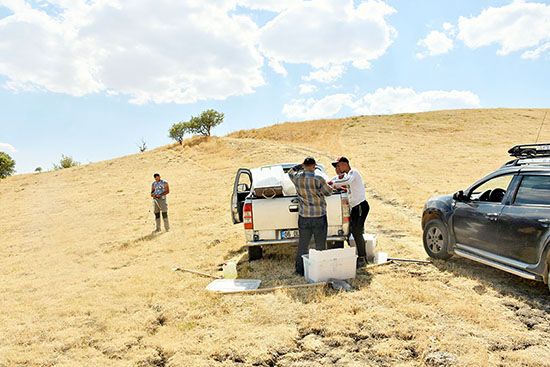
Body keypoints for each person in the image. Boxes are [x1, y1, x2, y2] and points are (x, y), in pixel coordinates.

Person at [288, 157, 333, 275]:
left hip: (304, 216)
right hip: (319, 216)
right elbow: (328, 192)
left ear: (304, 165)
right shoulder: (319, 178)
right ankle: (320, 270)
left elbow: (290, 172)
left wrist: (299, 166)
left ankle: (300, 270)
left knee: (303, 244)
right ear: (314, 166)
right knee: (320, 244)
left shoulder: (297, 178)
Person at [330, 157, 370, 267]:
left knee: (357, 231)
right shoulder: (346, 176)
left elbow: (345, 181)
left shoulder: (353, 172)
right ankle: (354, 254)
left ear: (345, 164)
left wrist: (332, 183)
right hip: (355, 208)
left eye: (338, 166)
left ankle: (362, 257)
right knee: (351, 230)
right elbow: (337, 180)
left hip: (360, 206)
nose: (337, 168)